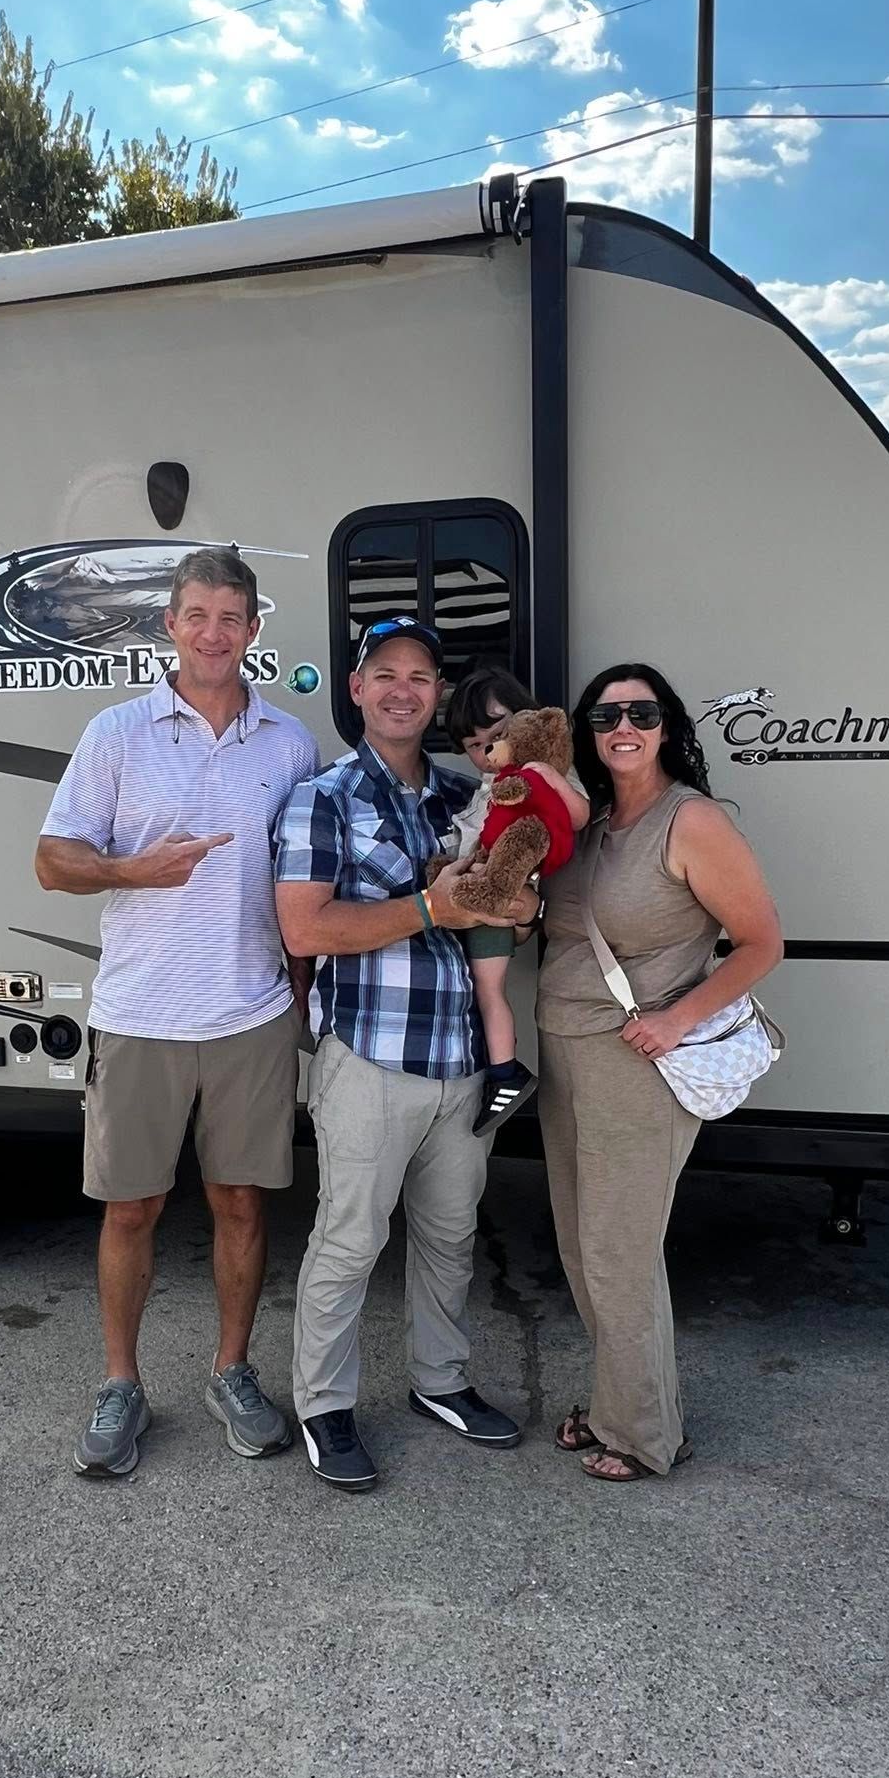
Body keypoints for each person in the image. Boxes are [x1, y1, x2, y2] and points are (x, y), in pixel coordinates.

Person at [36, 546, 321, 1477]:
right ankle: (121, 1385)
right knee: (133, 1210)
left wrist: (304, 1003)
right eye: (196, 615)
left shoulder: (288, 743)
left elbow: (304, 887)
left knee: (242, 1204)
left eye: (231, 617)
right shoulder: (117, 732)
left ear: (252, 630)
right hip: (143, 1013)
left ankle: (231, 1370)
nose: (213, 633)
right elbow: (53, 860)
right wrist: (132, 869)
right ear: (170, 625)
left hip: (251, 1015)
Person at [274, 616, 537, 1491]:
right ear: (356, 689)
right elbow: (305, 926)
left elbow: (517, 903)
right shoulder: (322, 799)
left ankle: (441, 1383)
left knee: (450, 1237)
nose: (402, 689)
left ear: (435, 695)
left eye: (420, 677)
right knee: (349, 1241)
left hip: (462, 1061)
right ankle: (324, 1406)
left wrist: (521, 905)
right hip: (370, 1059)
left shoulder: (466, 794)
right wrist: (434, 911)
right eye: (384, 673)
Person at [536, 663, 783, 1483]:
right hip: (566, 1050)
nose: (623, 726)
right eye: (607, 716)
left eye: (641, 712)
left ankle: (644, 1435)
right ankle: (619, 1403)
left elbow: (761, 943)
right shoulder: (596, 820)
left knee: (619, 1251)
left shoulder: (692, 822)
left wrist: (677, 1019)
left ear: (668, 725)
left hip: (635, 1067)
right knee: (580, 1244)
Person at [442, 663, 590, 1134]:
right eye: (473, 745)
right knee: (477, 990)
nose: (487, 751)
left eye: (498, 733)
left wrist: (547, 774)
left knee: (488, 990)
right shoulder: (488, 787)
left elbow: (580, 817)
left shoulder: (542, 776)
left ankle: (506, 1074)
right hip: (481, 892)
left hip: (497, 901)